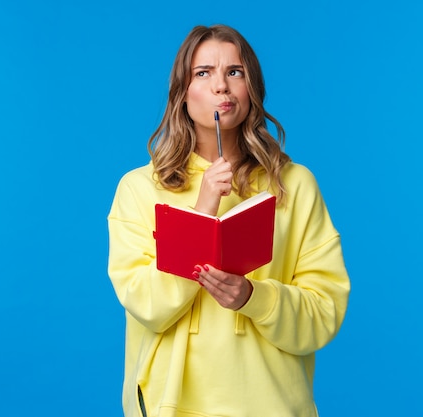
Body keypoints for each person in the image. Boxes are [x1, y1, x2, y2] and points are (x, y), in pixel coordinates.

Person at [107, 24, 350, 417]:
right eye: (203, 73)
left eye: (234, 72)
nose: (221, 86)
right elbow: (145, 303)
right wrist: (202, 211)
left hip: (272, 405)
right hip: (172, 406)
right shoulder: (138, 189)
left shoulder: (294, 185)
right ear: (182, 92)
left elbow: (323, 313)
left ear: (251, 88)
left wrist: (255, 298)